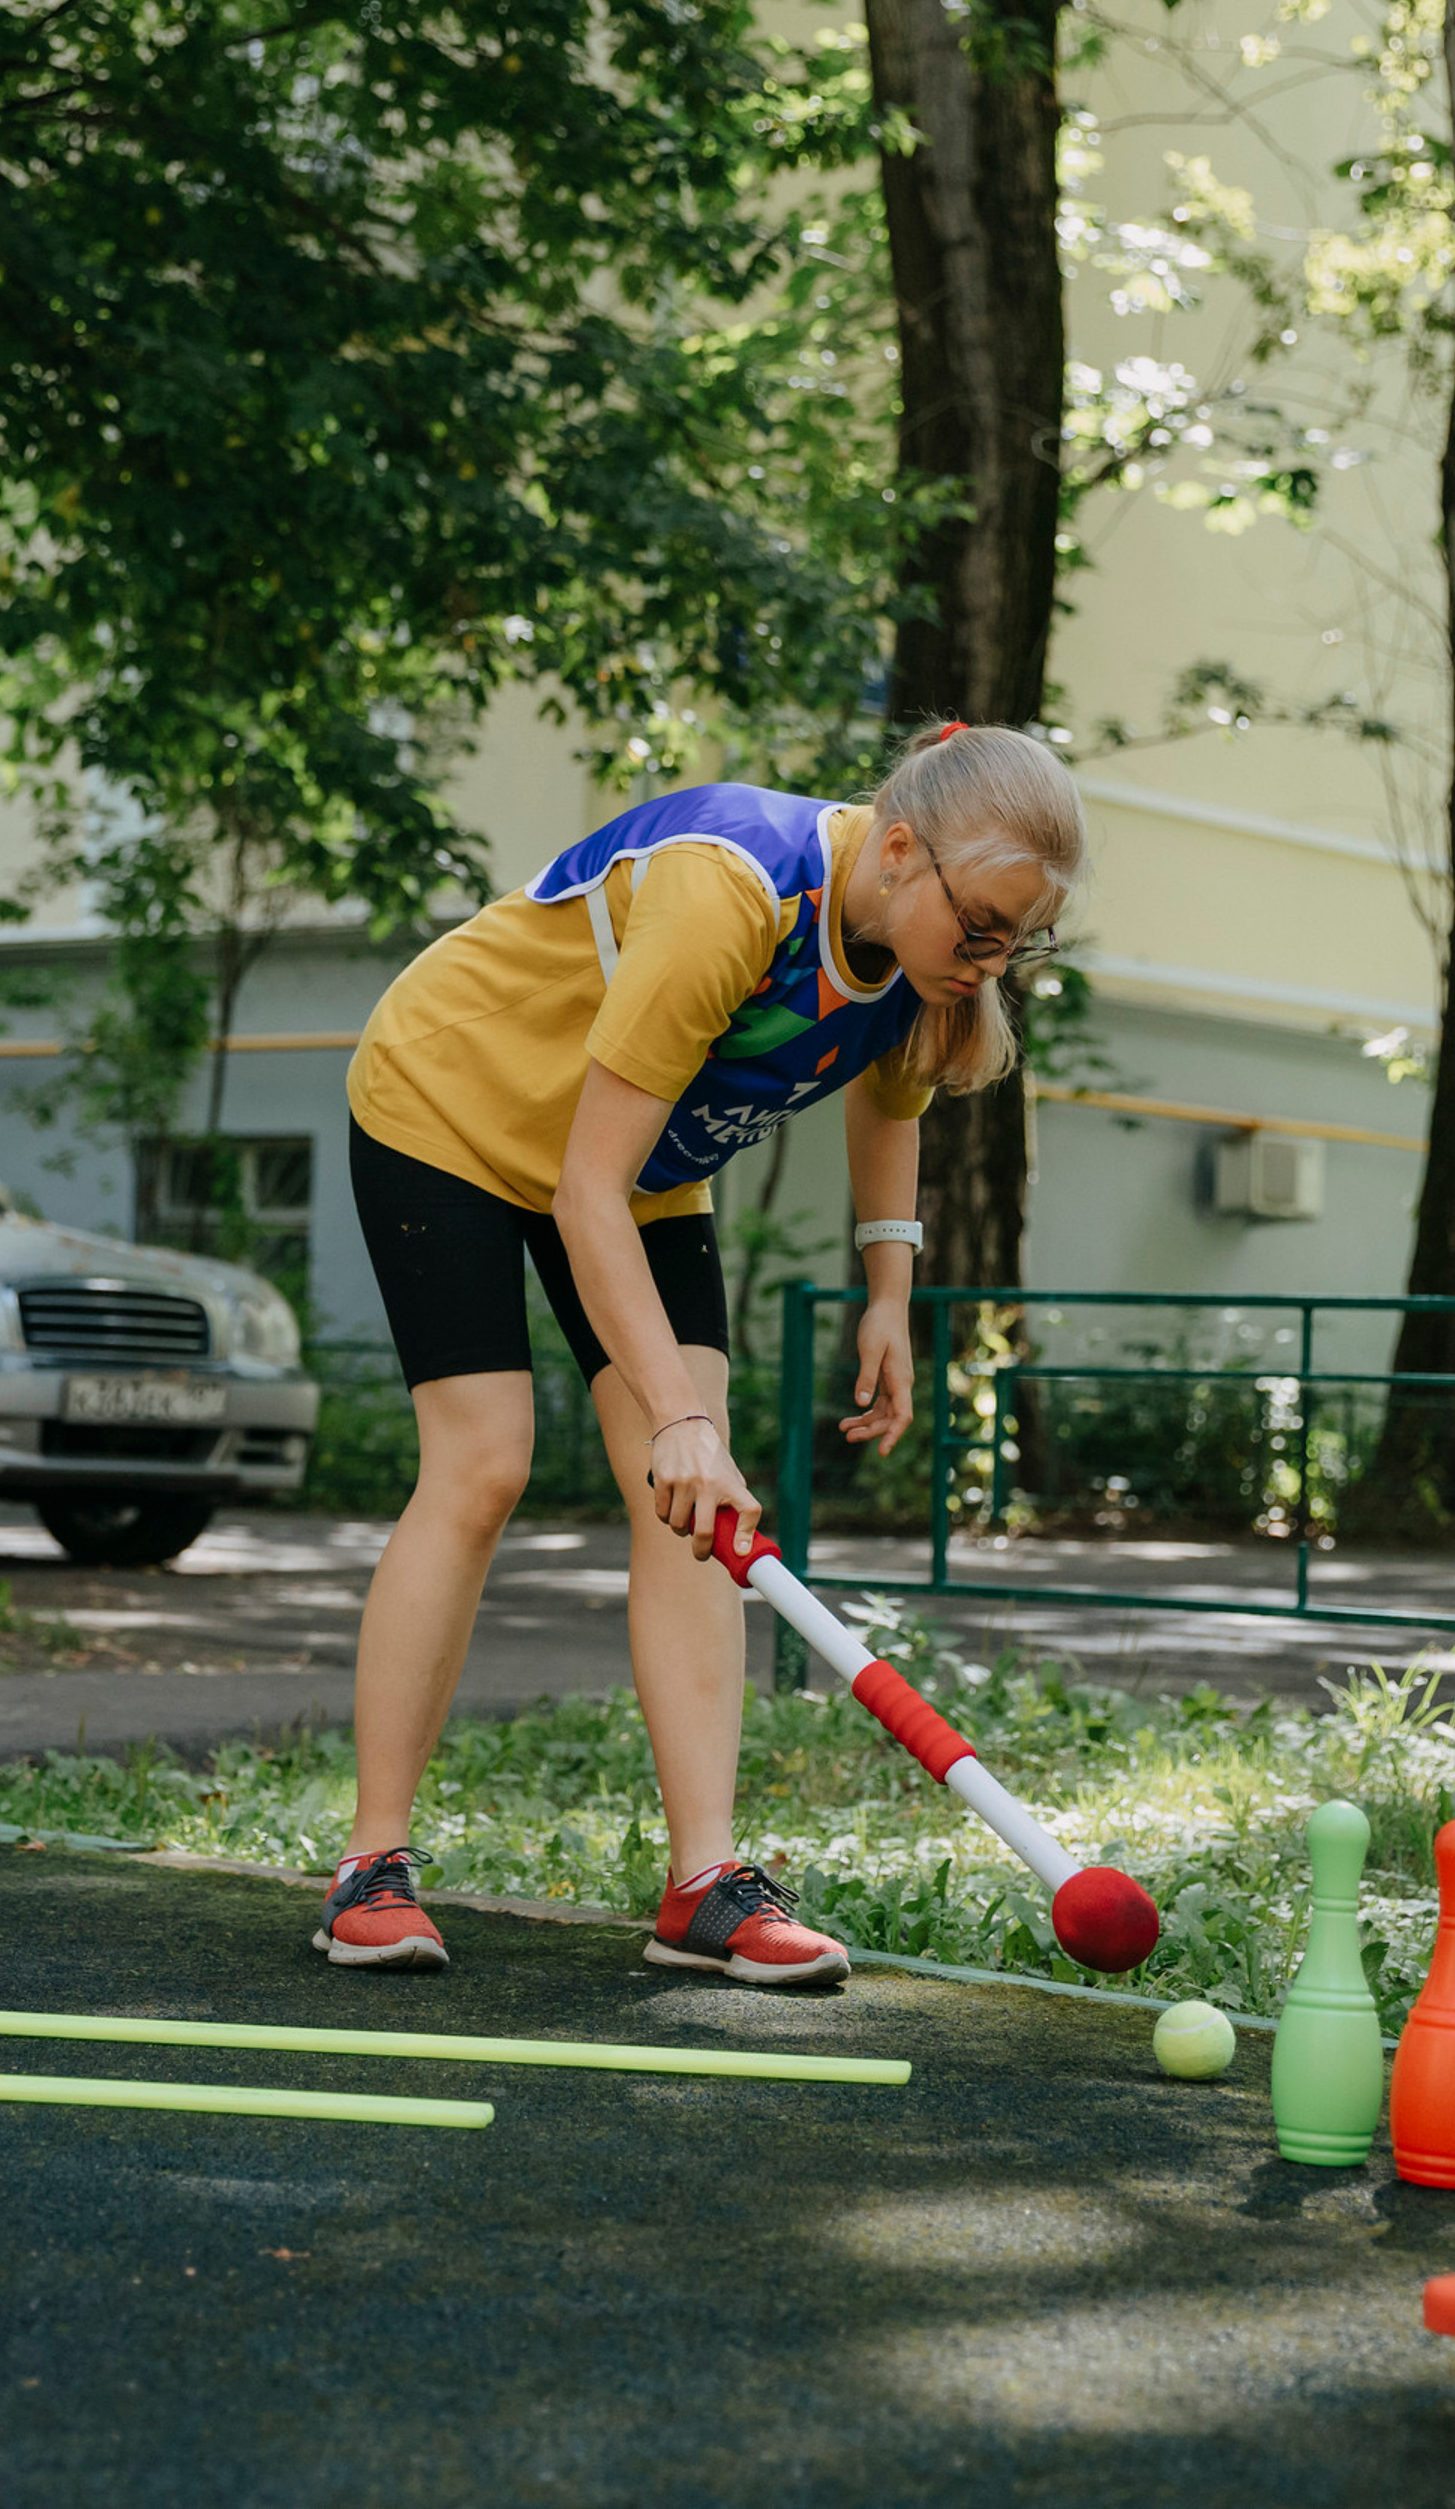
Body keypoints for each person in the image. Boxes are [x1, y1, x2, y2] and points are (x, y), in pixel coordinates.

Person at [321, 720, 1086, 1980]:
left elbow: (889, 1106)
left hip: (637, 1173)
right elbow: (582, 1192)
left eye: (1023, 938)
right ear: (900, 851)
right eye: (986, 928)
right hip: (450, 1109)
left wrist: (885, 1294)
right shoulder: (729, 890)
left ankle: (705, 1884)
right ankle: (371, 1864)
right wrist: (675, 1414)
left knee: (696, 1504)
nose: (993, 962)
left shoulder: (913, 949)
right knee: (484, 1462)